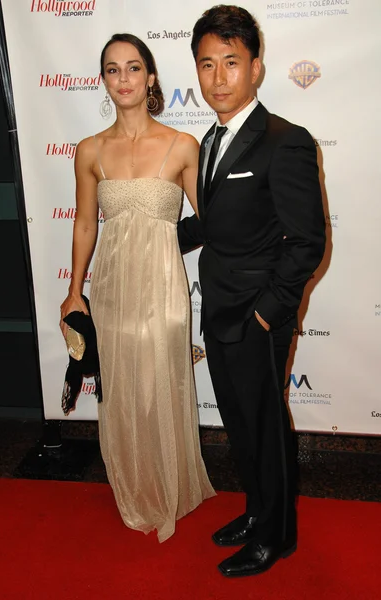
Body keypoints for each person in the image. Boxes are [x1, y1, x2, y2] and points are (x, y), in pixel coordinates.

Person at [178, 5, 326, 576]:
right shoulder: (209, 140)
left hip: (257, 315)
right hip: (217, 307)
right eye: (207, 64)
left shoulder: (284, 141)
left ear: (257, 68)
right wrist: (152, 240)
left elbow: (307, 243)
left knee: (265, 427)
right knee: (239, 424)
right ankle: (257, 510)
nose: (218, 78)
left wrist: (268, 314)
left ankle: (277, 537)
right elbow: (212, 223)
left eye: (231, 63)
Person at [60, 33, 215, 543]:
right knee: (122, 387)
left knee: (161, 382)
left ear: (150, 77)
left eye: (133, 68)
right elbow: (86, 224)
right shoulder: (89, 150)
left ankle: (168, 485)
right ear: (103, 79)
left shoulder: (181, 145)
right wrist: (74, 290)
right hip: (110, 285)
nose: (123, 79)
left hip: (166, 283)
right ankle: (133, 485)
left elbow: (211, 222)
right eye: (112, 69)